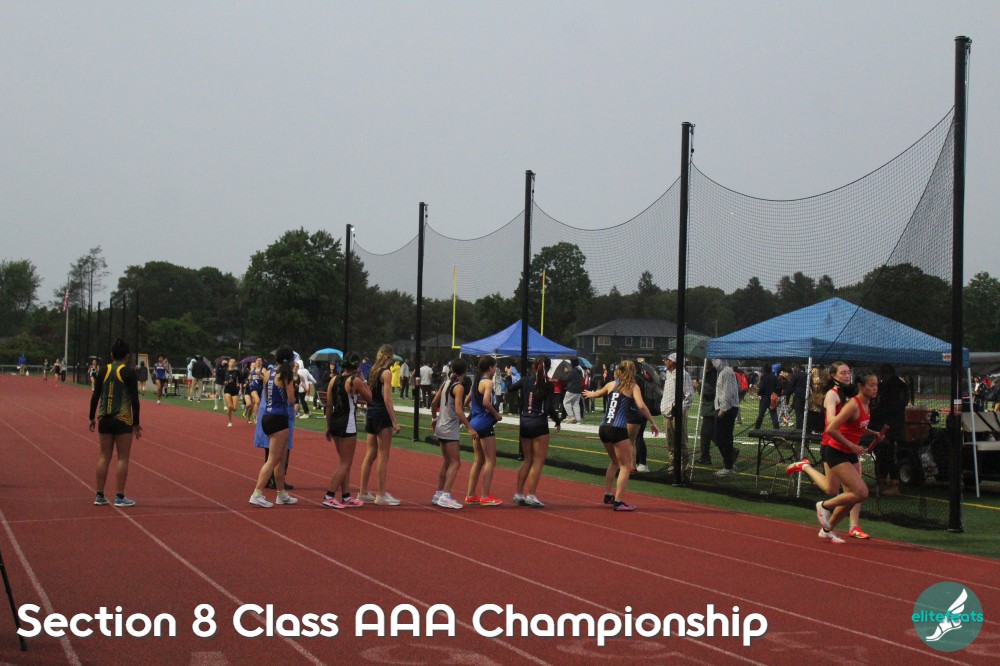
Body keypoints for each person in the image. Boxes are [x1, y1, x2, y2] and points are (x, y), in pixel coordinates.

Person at [787, 367, 885, 544]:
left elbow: (857, 425)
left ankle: (829, 529)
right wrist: (852, 444)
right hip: (836, 450)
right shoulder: (849, 402)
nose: (875, 388)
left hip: (849, 451)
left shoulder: (865, 403)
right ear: (861, 386)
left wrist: (872, 433)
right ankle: (824, 505)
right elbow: (832, 427)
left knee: (853, 496)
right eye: (871, 385)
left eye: (876, 385)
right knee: (857, 492)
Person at [585, 360, 660, 511]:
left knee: (614, 461)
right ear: (633, 372)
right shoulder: (633, 386)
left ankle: (608, 494)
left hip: (604, 428)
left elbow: (598, 394)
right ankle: (618, 501)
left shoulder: (611, 384)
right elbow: (641, 406)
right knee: (625, 465)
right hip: (618, 428)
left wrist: (590, 393)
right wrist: (652, 422)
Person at [89, 338, 142, 507]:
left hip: (104, 418)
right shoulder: (129, 373)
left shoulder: (103, 370)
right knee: (123, 457)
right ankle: (119, 496)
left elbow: (95, 395)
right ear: (127, 356)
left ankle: (99, 494)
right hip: (122, 420)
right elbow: (135, 400)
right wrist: (136, 423)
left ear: (112, 354)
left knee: (104, 456)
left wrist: (91, 417)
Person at [248, 345, 298, 507]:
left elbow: (265, 394)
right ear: (290, 360)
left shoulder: (268, 373)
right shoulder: (286, 375)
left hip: (267, 416)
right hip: (279, 418)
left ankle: (281, 493)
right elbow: (291, 399)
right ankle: (257, 493)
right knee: (273, 459)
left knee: (281, 458)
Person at [509, 355, 561, 507]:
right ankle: (531, 494)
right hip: (539, 424)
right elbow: (549, 408)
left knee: (527, 460)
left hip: (525, 422)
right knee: (538, 461)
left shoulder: (525, 380)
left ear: (534, 366)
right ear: (548, 368)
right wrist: (557, 421)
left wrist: (521, 401)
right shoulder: (548, 385)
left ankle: (518, 493)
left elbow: (511, 389)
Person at [323, 353, 371, 509]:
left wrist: (328, 426)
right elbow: (370, 398)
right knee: (345, 463)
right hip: (347, 423)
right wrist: (364, 380)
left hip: (335, 422)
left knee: (344, 462)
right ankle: (329, 496)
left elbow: (329, 405)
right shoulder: (355, 381)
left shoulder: (333, 380)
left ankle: (346, 496)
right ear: (357, 366)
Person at [358, 344, 402, 505]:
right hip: (382, 414)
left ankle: (363, 491)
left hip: (371, 412)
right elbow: (387, 399)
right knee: (383, 455)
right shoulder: (386, 373)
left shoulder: (373, 371)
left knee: (370, 454)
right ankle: (381, 494)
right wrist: (394, 421)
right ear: (390, 356)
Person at [429, 359, 475, 510]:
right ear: (465, 371)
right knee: (456, 463)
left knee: (447, 461)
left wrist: (434, 419)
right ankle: (446, 495)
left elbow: (433, 403)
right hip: (450, 428)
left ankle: (439, 493)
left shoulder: (446, 383)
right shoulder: (458, 387)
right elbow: (459, 410)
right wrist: (469, 428)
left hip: (441, 426)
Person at [465, 356, 503, 506]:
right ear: (490, 368)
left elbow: (467, 401)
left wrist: (475, 409)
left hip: (475, 423)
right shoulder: (488, 383)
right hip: (485, 424)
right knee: (490, 460)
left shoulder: (476, 383)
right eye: (495, 367)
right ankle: (485, 496)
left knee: (478, 460)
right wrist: (496, 414)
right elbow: (486, 402)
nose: (496, 369)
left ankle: (470, 495)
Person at [869, 363, 910, 496]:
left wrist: (879, 415)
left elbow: (894, 407)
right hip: (881, 426)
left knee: (890, 454)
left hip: (891, 427)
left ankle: (894, 484)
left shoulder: (897, 387)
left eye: (883, 373)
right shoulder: (883, 386)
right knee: (881, 454)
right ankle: (881, 482)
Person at [661, 353, 694, 478]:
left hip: (678, 414)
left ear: (672, 362)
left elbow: (689, 396)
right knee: (670, 442)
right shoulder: (668, 374)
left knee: (681, 441)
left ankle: (683, 467)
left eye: (667, 360)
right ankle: (673, 464)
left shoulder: (684, 375)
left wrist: (679, 409)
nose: (665, 361)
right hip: (667, 413)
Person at [713, 359, 741, 477]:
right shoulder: (724, 372)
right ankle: (729, 463)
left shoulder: (726, 372)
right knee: (723, 438)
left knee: (722, 438)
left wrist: (723, 410)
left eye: (714, 360)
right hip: (726, 408)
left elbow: (727, 393)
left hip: (727, 410)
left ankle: (728, 466)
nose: (713, 363)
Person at [697, 361, 718, 465]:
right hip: (708, 408)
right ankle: (705, 456)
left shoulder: (714, 374)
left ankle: (705, 457)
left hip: (711, 409)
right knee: (709, 434)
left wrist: (700, 388)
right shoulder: (708, 373)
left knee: (706, 434)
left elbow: (711, 391)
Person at [785, 364, 808, 429]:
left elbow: (789, 388)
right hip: (806, 396)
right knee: (804, 413)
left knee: (799, 414)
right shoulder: (807, 375)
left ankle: (799, 429)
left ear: (798, 368)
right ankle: (804, 427)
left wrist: (787, 399)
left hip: (798, 397)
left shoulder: (795, 375)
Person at [562, 358, 584, 423]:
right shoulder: (580, 371)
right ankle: (578, 419)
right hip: (578, 390)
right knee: (576, 404)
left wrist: (566, 372)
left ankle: (571, 416)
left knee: (566, 402)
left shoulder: (572, 371)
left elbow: (567, 378)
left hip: (571, 389)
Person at [222, 358, 242, 427]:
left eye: (234, 362)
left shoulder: (237, 372)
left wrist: (239, 384)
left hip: (235, 390)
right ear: (228, 363)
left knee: (235, 409)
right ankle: (230, 421)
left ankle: (229, 410)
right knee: (230, 406)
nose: (232, 363)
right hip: (227, 390)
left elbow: (240, 380)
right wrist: (224, 382)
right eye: (231, 362)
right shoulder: (225, 371)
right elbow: (220, 379)